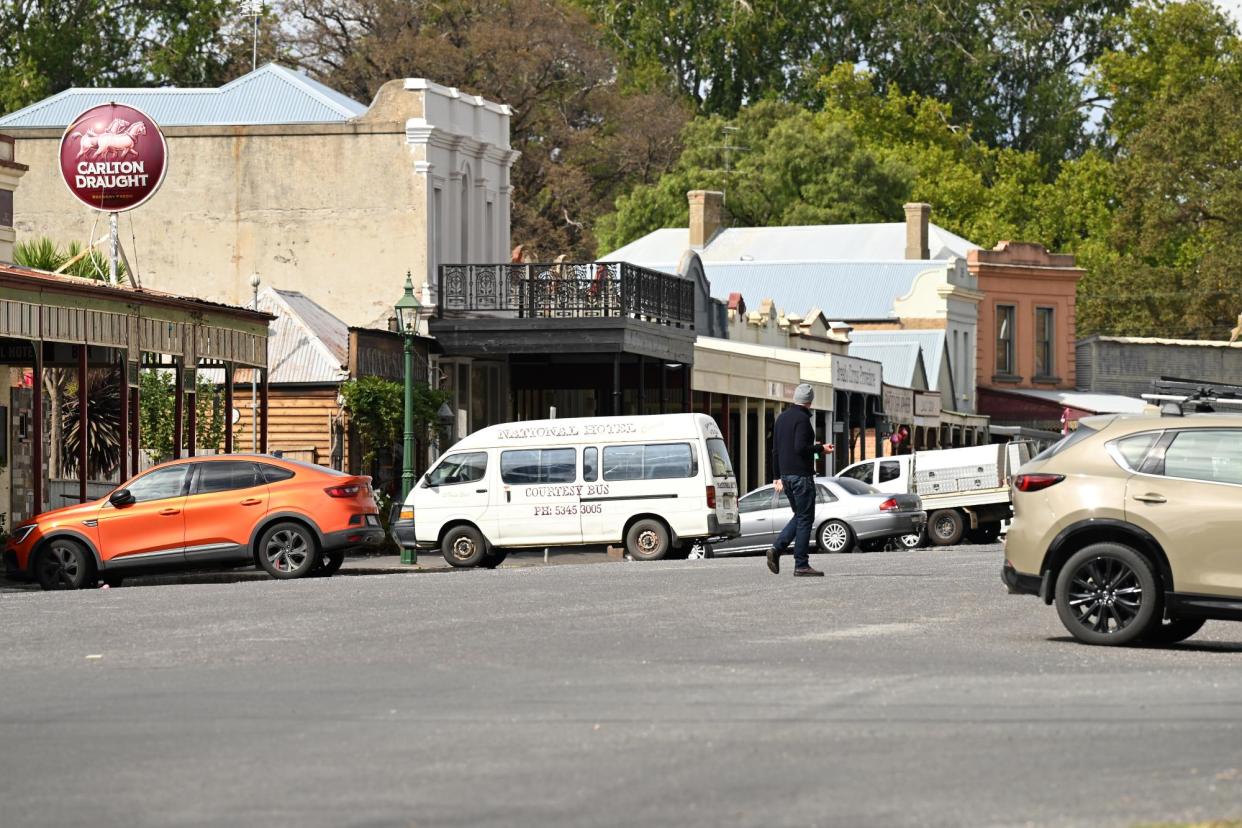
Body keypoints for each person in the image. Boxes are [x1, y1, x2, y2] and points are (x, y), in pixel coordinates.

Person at [767, 383, 833, 577]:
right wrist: (821, 449)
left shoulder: (781, 419)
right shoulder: (803, 420)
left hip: (786, 476)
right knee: (805, 518)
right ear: (809, 402)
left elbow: (775, 451)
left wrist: (776, 476)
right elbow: (800, 448)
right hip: (801, 476)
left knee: (799, 516)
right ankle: (801, 564)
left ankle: (777, 549)